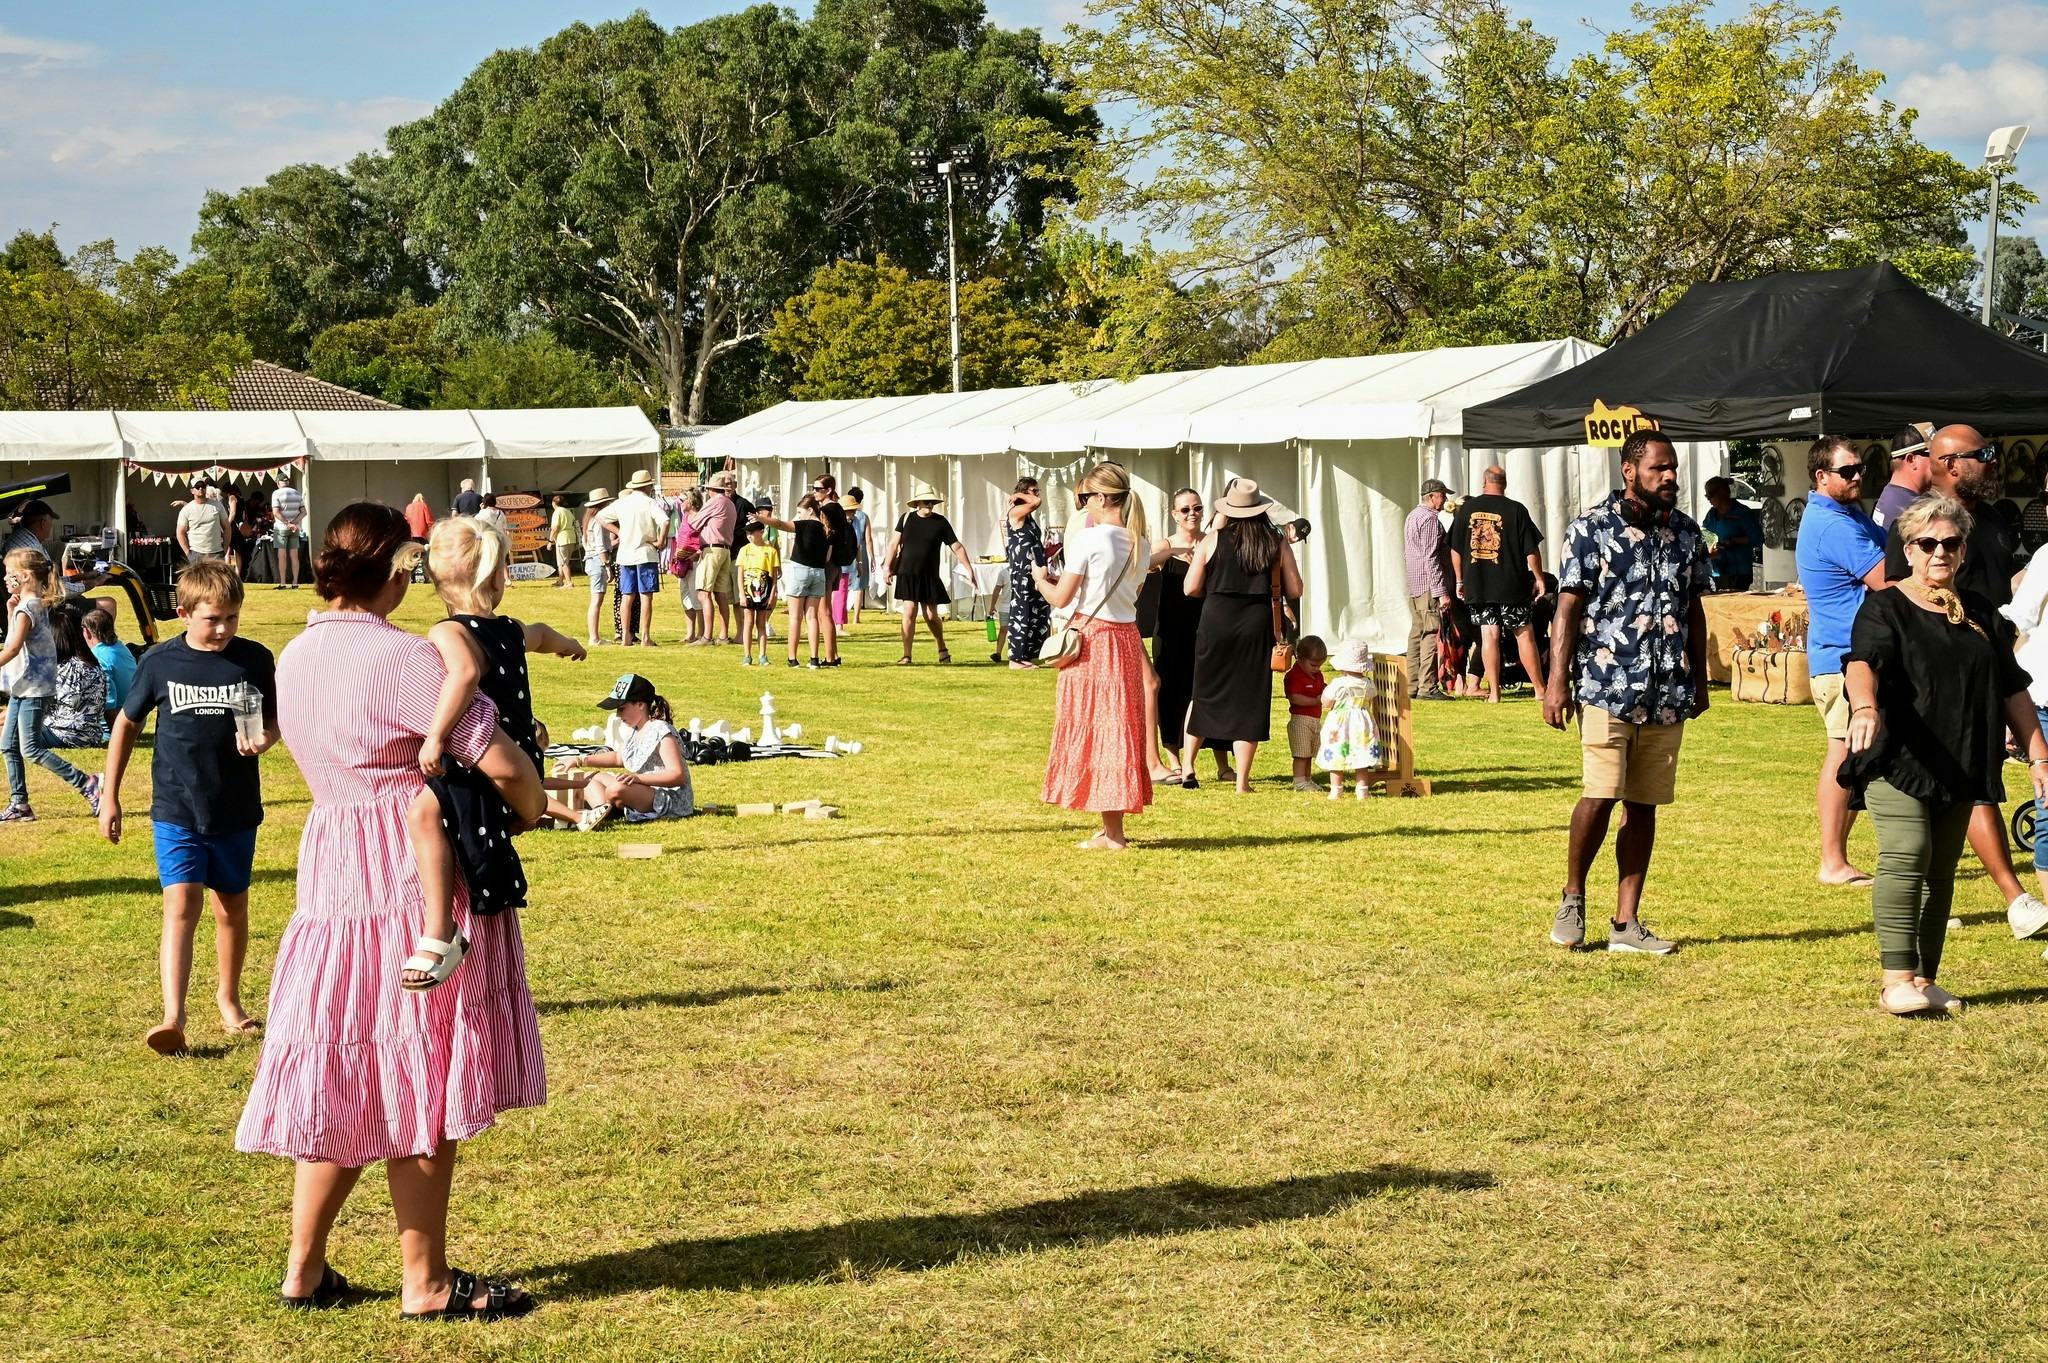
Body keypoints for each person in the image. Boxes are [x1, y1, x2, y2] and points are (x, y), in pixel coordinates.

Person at [235, 500, 545, 1320]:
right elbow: (505, 764)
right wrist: (532, 805)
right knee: (421, 1072)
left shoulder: (295, 657)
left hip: (332, 869)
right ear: (396, 574)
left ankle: (304, 1266)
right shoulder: (406, 660)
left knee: (347, 1068)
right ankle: (426, 1281)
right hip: (410, 873)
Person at [1842, 493, 2048, 1014]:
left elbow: (2013, 688)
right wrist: (1864, 707)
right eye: (1927, 543)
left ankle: (1925, 979)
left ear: (1961, 551)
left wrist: (2040, 755)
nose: (1939, 552)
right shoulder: (1885, 606)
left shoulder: (1979, 611)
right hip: (1901, 757)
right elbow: (1862, 662)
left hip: (1964, 757)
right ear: (1908, 549)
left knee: (1940, 868)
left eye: (1950, 543)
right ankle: (1896, 979)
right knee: (1908, 851)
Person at [99, 559, 277, 1052]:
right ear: (183, 612)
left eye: (232, 618)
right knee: (181, 903)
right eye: (212, 619)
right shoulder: (160, 662)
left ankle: (229, 998)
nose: (223, 629)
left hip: (235, 807)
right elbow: (127, 726)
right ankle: (172, 1017)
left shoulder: (255, 660)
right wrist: (110, 796)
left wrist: (265, 739)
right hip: (177, 807)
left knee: (230, 908)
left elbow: (275, 720)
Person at [1543, 431, 1711, 956]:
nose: (1670, 477)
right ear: (1629, 471)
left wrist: (1700, 679)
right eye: (1659, 468)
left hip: (1667, 691)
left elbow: (1696, 610)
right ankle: (1573, 896)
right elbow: (1567, 609)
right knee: (1600, 793)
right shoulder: (1591, 529)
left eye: (1674, 468)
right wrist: (1555, 681)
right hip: (1606, 687)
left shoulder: (1687, 533)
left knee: (1644, 804)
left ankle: (1627, 922)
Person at [410, 517, 586, 990]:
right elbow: (543, 633)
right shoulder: (508, 629)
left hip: (484, 758)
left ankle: (439, 930)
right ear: (495, 576)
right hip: (524, 753)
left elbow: (463, 676)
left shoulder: (450, 632)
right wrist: (569, 646)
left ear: (437, 581)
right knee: (498, 828)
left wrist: (436, 736)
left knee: (425, 813)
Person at [1878, 424, 2040, 929]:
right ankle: (2014, 897)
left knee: (1975, 781)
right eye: (1981, 454)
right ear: (1948, 463)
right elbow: (1896, 599)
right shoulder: (1915, 526)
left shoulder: (1990, 521)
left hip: (1991, 668)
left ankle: (1940, 887)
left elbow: (2006, 600)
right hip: (1935, 684)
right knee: (1957, 785)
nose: (1993, 461)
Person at [1030, 462, 1153, 850]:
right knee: (1118, 728)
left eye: (1086, 498)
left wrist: (1039, 581)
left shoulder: (1090, 540)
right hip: (1127, 638)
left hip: (1094, 640)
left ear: (1101, 498)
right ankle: (1110, 825)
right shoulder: (1141, 543)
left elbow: (1062, 598)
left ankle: (1113, 833)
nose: (1084, 505)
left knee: (1100, 729)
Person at [1795, 436, 1887, 891]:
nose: (1857, 477)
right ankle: (1832, 860)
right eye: (1847, 471)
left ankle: (1837, 856)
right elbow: (1889, 578)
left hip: (1849, 657)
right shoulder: (1834, 525)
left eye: (1859, 470)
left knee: (1856, 754)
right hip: (1841, 660)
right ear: (1821, 476)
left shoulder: (1847, 514)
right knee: (1844, 752)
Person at [1180, 479, 1302, 794]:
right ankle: (1242, 782)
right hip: (1255, 622)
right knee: (1250, 698)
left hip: (1216, 619)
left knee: (1203, 692)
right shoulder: (1275, 541)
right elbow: (1296, 588)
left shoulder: (1213, 539)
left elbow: (1190, 588)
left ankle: (1188, 767)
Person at [0, 549, 98, 820]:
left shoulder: (28, 608)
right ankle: (19, 804)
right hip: (25, 685)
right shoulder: (32, 604)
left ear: (26, 577)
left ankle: (87, 783)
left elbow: (11, 649)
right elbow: (15, 641)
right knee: (8, 745)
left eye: (11, 574)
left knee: (29, 748)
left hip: (34, 688)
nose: (6, 579)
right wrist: (10, 611)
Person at [1150, 488, 1232, 785]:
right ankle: (1173, 760)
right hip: (1171, 630)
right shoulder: (1166, 544)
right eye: (1185, 510)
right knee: (1171, 694)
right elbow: (1148, 562)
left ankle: (1222, 763)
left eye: (1196, 508)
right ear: (1174, 514)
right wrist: (1174, 552)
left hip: (1206, 627)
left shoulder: (1210, 542)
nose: (1191, 514)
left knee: (1209, 692)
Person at [546, 673, 694, 830]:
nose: (618, 715)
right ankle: (603, 811)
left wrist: (638, 779)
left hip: (669, 799)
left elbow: (677, 775)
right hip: (644, 790)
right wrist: (580, 760)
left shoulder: (661, 730)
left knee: (616, 788)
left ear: (641, 705)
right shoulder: (635, 729)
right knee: (587, 778)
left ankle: (608, 808)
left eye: (622, 708)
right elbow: (619, 757)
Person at [1450, 466, 1546, 703]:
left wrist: (1460, 580)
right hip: (1511, 584)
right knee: (1524, 635)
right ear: (1505, 483)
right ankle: (1539, 690)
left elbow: (1455, 549)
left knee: (1489, 635)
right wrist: (1539, 578)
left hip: (1479, 584)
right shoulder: (1516, 510)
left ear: (1484, 482)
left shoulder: (1467, 510)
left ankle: (1494, 693)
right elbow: (1531, 550)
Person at [884, 485, 975, 665]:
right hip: (907, 573)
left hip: (929, 575)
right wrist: (887, 567)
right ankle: (906, 655)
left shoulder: (940, 522)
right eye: (926, 501)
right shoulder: (906, 518)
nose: (930, 504)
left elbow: (956, 546)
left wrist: (968, 568)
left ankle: (942, 647)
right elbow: (894, 544)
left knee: (931, 616)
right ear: (917, 502)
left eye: (932, 502)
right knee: (909, 611)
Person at [756, 494, 834, 668]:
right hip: (819, 573)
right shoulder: (826, 528)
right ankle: (814, 658)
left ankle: (792, 658)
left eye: (800, 512)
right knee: (812, 617)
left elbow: (780, 524)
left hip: (801, 570)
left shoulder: (805, 524)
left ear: (810, 510)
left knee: (795, 617)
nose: (798, 516)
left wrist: (760, 518)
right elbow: (828, 556)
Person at [597, 470, 666, 648]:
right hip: (645, 553)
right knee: (645, 597)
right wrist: (660, 541)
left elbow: (600, 517)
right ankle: (645, 637)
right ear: (647, 486)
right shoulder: (650, 502)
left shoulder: (622, 502)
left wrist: (618, 531)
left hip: (625, 554)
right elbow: (664, 521)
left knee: (627, 596)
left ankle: (626, 636)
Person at [1404, 480, 1453, 700]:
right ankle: (1428, 687)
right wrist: (1441, 591)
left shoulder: (1412, 516)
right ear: (1432, 497)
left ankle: (1411, 685)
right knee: (1431, 634)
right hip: (1428, 586)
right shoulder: (1431, 520)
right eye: (1443, 495)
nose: (1445, 500)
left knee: (1416, 634)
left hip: (1415, 584)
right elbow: (1431, 557)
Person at [1317, 637, 1382, 800]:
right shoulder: (1368, 683)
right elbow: (1372, 697)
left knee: (1337, 754)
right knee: (1361, 757)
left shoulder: (1338, 684)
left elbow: (1326, 702)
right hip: (1362, 723)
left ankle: (1336, 789)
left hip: (1340, 724)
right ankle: (1362, 790)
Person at [44, 600, 107, 749]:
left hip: (64, 733)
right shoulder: (93, 664)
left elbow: (36, 707)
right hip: (91, 735)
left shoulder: (62, 669)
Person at [1004, 478, 1052, 668]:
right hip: (1023, 569)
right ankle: (1016, 657)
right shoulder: (1016, 511)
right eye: (1033, 490)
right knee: (1022, 609)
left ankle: (1028, 654)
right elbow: (1035, 502)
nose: (1037, 495)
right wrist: (1019, 495)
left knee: (1038, 610)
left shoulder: (1029, 516)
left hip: (1035, 568)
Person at [690, 471, 742, 646]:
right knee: (721, 594)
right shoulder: (730, 504)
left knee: (704, 593)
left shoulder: (714, 502)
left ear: (712, 489)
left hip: (712, 550)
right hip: (726, 550)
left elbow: (694, 523)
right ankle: (723, 635)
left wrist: (689, 512)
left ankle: (706, 636)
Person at [1701, 477, 1762, 591]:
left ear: (1723, 492)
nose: (1709, 499)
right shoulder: (1711, 515)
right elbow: (1704, 533)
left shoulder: (1742, 512)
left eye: (1711, 494)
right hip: (1717, 572)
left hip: (1739, 572)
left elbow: (1758, 538)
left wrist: (1734, 541)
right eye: (1707, 496)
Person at [1284, 635, 1328, 792]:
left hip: (1315, 720)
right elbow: (1295, 698)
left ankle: (1307, 779)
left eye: (1319, 665)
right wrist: (1315, 700)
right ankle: (1299, 781)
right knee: (1301, 753)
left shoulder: (1318, 675)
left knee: (1309, 753)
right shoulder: (1293, 676)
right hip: (1300, 720)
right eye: (1313, 665)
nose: (1316, 668)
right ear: (1299, 658)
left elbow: (1322, 687)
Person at [1873, 422, 1935, 531]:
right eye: (1933, 455)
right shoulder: (1909, 509)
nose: (1939, 462)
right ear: (1911, 460)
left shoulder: (1895, 497)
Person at [736, 519, 780, 665]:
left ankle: (762, 655)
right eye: (747, 533)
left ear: (761, 532)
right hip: (749, 590)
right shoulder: (744, 550)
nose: (749, 535)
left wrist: (773, 593)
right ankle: (747, 655)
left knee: (761, 623)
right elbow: (740, 574)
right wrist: (742, 593)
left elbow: (774, 575)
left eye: (752, 532)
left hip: (764, 591)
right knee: (748, 622)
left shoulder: (771, 551)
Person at [84, 607, 135, 726]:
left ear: (86, 632)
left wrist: (118, 733)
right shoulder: (121, 648)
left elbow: (109, 702)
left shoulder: (98, 658)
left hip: (116, 726)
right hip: (136, 720)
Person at [819, 496, 852, 664]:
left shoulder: (829, 512)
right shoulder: (839, 512)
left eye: (818, 489)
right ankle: (833, 654)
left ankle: (831, 656)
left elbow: (828, 551)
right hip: (837, 566)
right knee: (825, 612)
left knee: (824, 612)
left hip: (827, 566)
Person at [581, 487, 615, 648]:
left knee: (596, 600)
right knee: (596, 600)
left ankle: (595, 636)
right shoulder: (599, 521)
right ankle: (594, 637)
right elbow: (601, 546)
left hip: (590, 560)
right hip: (597, 561)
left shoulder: (588, 519)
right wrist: (607, 565)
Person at [177, 481, 230, 565]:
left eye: (203, 486)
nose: (201, 488)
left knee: (217, 578)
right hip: (196, 554)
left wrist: (225, 548)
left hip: (217, 552)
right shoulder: (187, 509)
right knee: (198, 579)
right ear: (192, 491)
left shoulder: (218, 505)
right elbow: (180, 533)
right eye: (197, 487)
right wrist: (188, 553)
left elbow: (227, 527)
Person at [845, 487, 876, 626]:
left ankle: (841, 614)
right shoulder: (864, 516)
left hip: (847, 550)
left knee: (843, 583)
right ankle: (856, 617)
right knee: (858, 586)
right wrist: (872, 556)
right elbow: (868, 538)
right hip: (861, 550)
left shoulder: (844, 513)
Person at [270, 471, 306, 590]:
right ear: (288, 482)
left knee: (282, 556)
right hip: (295, 528)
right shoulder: (297, 493)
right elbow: (304, 512)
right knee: (294, 555)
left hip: (281, 527)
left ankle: (283, 583)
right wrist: (293, 523)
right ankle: (295, 582)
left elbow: (276, 512)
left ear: (278, 483)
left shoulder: (276, 493)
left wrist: (287, 523)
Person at [549, 493, 578, 588]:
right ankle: (560, 580)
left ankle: (569, 582)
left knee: (563, 562)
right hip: (571, 537)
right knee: (562, 561)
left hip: (562, 538)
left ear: (554, 503)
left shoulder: (557, 512)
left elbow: (555, 527)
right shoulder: (568, 511)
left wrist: (550, 541)